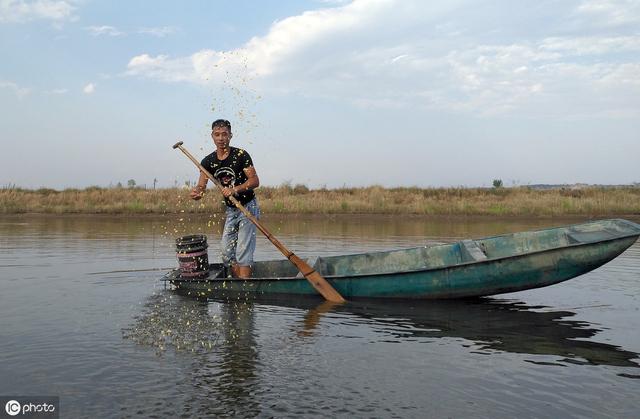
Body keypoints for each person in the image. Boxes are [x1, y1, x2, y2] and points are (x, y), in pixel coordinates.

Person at [190, 119, 260, 278]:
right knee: (227, 253)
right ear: (212, 136)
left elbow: (255, 181)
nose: (221, 138)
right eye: (217, 135)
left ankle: (244, 288)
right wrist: (197, 193)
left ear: (230, 136)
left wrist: (235, 189)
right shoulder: (208, 161)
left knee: (243, 251)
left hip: (248, 206)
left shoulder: (241, 155)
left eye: (224, 134)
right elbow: (201, 187)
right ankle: (238, 284)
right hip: (231, 210)